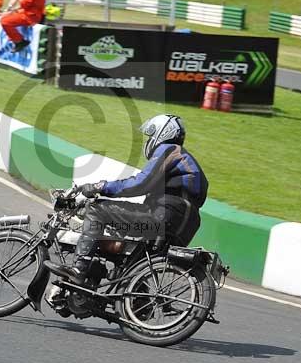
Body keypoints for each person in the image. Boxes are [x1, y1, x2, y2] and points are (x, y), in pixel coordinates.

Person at [44, 115, 208, 285]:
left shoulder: (169, 150)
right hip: (183, 226)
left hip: (164, 217)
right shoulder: (184, 162)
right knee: (130, 269)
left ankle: (79, 268)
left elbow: (140, 183)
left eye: (151, 135)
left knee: (96, 209)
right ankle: (136, 303)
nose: (149, 140)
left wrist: (99, 187)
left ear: (164, 132)